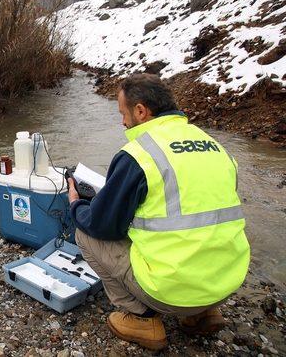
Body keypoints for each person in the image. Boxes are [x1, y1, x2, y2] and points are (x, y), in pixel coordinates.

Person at [66, 74, 250, 351]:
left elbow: (103, 227)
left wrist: (76, 205)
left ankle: (142, 319)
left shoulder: (139, 155)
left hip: (172, 293)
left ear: (140, 111)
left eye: (123, 113)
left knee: (85, 234)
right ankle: (202, 314)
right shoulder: (216, 147)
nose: (122, 122)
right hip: (226, 283)